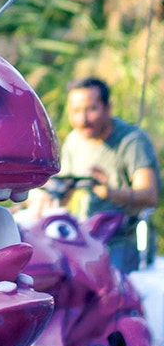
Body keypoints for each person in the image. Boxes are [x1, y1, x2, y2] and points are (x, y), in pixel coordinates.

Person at [31, 76, 160, 273]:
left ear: (108, 107)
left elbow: (150, 196)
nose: (82, 120)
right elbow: (64, 197)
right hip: (85, 237)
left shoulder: (132, 140)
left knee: (105, 287)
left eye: (91, 109)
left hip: (123, 239)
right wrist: (49, 193)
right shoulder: (74, 141)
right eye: (75, 111)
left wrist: (110, 193)